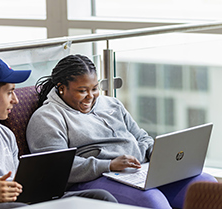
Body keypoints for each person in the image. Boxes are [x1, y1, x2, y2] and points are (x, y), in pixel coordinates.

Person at [26, 54, 218, 209]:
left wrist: (154, 153)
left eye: (94, 88)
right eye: (82, 90)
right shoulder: (47, 118)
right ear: (61, 88)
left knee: (206, 185)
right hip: (95, 179)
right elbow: (56, 171)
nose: (90, 97)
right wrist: (109, 165)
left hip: (139, 170)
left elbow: (141, 136)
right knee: (152, 201)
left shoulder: (112, 104)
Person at [0, 57, 117, 209]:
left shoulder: (4, 134)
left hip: (15, 203)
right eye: (10, 92)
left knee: (100, 198)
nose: (16, 100)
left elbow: (18, 184)